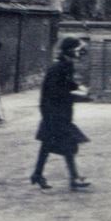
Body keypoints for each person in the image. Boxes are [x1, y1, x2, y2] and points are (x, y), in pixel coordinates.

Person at [31, 37, 91, 190]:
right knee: (68, 145)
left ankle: (37, 174)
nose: (80, 53)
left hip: (59, 113)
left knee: (48, 145)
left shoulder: (66, 65)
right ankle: (74, 178)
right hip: (54, 113)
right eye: (77, 50)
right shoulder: (57, 68)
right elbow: (56, 92)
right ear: (69, 51)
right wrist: (78, 95)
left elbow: (66, 84)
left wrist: (78, 87)